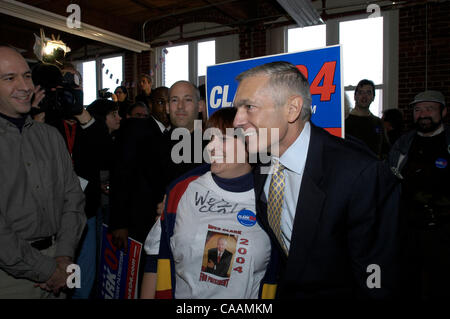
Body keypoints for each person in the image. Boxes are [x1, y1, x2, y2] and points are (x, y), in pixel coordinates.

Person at [233, 61, 400, 299]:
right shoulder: (261, 162)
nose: (237, 121)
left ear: (292, 109)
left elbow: (377, 274)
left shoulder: (359, 173)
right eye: (237, 109)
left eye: (249, 107)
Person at [141, 107, 275, 299]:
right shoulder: (182, 190)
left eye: (223, 139)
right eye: (211, 138)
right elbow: (154, 258)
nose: (211, 147)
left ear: (250, 144)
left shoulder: (271, 199)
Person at [0, 44, 86, 298]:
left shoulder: (49, 136)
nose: (25, 86)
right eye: (9, 78)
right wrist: (46, 270)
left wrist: (63, 256)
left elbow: (73, 198)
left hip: (60, 262)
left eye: (27, 76)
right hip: (10, 278)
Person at [388, 90, 450, 299]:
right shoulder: (402, 144)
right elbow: (389, 178)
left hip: (443, 232)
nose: (423, 114)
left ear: (443, 112)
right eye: (417, 109)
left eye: (429, 109)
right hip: (408, 229)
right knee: (407, 282)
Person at [345, 79, 390, 159]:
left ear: (373, 97)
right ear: (355, 96)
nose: (364, 96)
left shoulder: (378, 122)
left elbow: (385, 149)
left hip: (373, 168)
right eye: (360, 92)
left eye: (368, 92)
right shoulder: (345, 121)